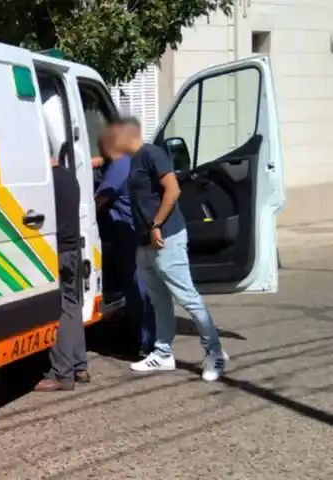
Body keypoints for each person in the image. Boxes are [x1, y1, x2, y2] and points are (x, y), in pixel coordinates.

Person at [107, 117, 228, 382]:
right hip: (145, 242)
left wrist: (156, 224)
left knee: (187, 297)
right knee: (158, 300)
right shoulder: (134, 159)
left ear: (127, 134)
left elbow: (172, 190)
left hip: (165, 237)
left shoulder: (152, 153)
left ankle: (215, 352)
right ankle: (162, 353)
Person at [94, 128, 156, 358]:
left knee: (137, 288)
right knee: (140, 288)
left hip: (128, 234)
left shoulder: (119, 166)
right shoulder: (127, 162)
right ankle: (144, 341)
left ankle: (143, 344)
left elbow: (101, 199)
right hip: (134, 232)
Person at [35, 147, 90, 391]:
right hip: (73, 249)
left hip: (56, 251)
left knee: (60, 311)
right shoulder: (69, 177)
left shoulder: (46, 182)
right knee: (73, 306)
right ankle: (80, 366)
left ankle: (62, 374)